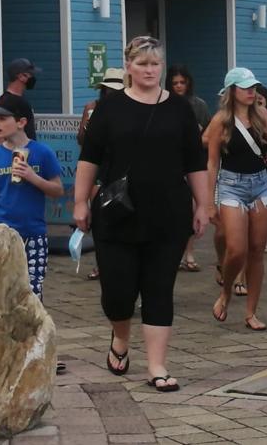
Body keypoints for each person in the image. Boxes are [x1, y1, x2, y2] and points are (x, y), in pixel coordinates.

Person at [73, 36, 210, 392]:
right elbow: (89, 159)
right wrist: (79, 202)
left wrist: (203, 205)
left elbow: (196, 162)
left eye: (155, 64)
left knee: (159, 290)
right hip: (118, 214)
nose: (150, 70)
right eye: (143, 63)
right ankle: (120, 338)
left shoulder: (180, 109)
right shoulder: (110, 108)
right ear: (128, 67)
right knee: (118, 293)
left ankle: (157, 366)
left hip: (168, 213)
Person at [0, 98, 65, 373]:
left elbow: (57, 190)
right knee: (3, 293)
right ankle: (8, 351)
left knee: (34, 292)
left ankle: (40, 350)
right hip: (3, 237)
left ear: (22, 122)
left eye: (2, 118)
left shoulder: (42, 153)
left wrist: (32, 177)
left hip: (34, 234)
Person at [206, 68, 267, 331]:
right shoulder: (221, 120)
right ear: (232, 91)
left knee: (256, 250)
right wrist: (208, 201)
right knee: (236, 249)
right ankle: (226, 291)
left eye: (253, 87)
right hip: (231, 186)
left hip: (261, 184)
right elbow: (212, 162)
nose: (251, 91)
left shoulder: (262, 116)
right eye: (245, 87)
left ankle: (251, 311)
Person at [77, 67, 125, 282]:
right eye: (108, 89)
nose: (111, 93)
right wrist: (89, 125)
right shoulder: (92, 107)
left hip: (121, 168)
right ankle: (101, 262)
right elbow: (81, 140)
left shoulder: (129, 107)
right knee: (99, 217)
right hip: (98, 167)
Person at [167, 65, 211, 273]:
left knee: (193, 208)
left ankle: (189, 251)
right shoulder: (164, 102)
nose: (178, 87)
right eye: (174, 83)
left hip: (193, 161)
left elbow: (207, 135)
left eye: (182, 83)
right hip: (172, 161)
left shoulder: (198, 105)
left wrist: (197, 136)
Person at [0, 58, 40, 139]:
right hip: (18, 151)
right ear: (21, 76)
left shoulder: (22, 101)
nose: (32, 78)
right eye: (30, 75)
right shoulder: (5, 102)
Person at [167, 65, 211, 132]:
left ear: (188, 83)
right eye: (175, 83)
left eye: (182, 82)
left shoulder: (200, 105)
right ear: (170, 85)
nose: (179, 86)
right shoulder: (164, 105)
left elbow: (209, 132)